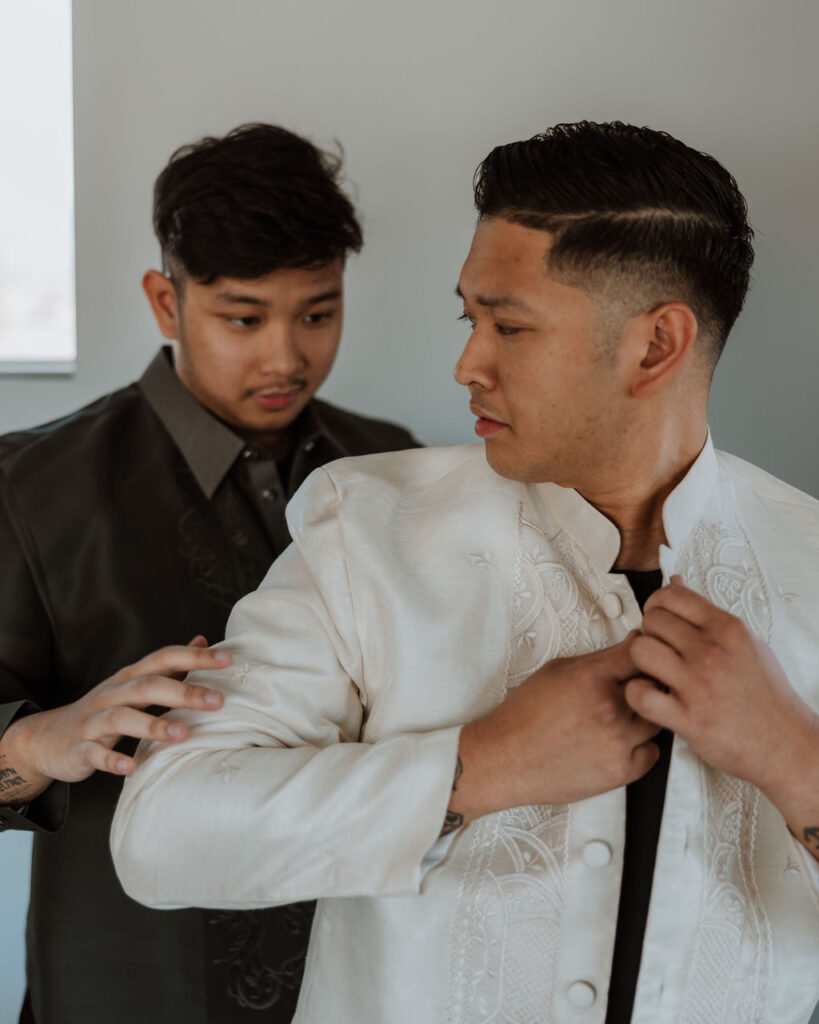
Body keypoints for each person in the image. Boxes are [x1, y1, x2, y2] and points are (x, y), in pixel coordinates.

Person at [111, 122, 819, 1023]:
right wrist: (477, 767)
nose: (466, 364)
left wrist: (796, 760)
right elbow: (162, 837)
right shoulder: (364, 529)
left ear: (654, 346)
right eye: (469, 317)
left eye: (508, 326)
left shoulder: (811, 563)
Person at [0, 123, 418, 1024]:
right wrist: (41, 739)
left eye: (318, 312)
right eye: (242, 317)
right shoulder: (28, 486)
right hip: (127, 988)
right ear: (165, 301)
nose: (285, 357)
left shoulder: (394, 470)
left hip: (362, 979)